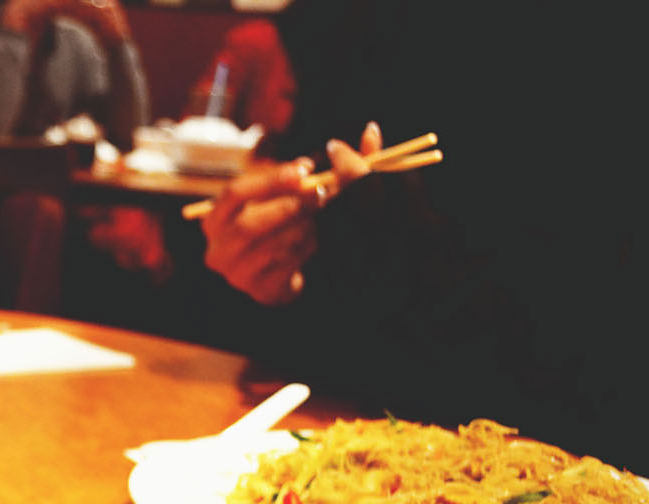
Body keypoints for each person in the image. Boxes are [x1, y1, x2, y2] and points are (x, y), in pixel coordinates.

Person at [192, 0, 648, 472]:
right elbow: (317, 280)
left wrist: (401, 242)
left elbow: (587, 298)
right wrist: (269, 264)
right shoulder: (333, 25)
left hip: (572, 436)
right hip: (345, 423)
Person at [0, 0, 149, 152]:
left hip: (62, 183)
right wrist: (16, 22)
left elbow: (126, 132)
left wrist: (118, 43)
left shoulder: (75, 39)